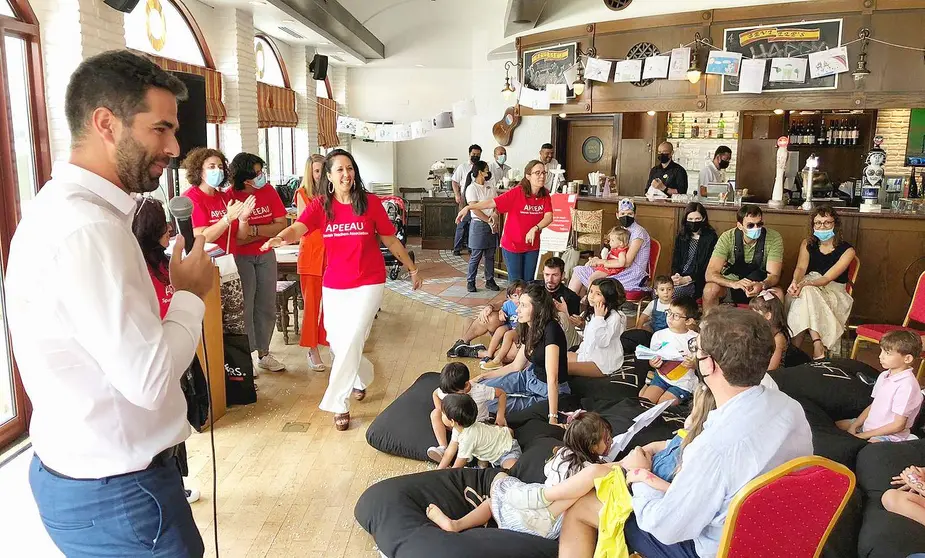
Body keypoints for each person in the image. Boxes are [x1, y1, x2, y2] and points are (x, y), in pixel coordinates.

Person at [6, 50, 214, 556]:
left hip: (84, 476)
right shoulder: (91, 229)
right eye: (160, 129)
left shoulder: (61, 209)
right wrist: (188, 296)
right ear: (106, 123)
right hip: (121, 493)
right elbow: (148, 380)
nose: (174, 146)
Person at [558, 307, 813, 558]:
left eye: (697, 350)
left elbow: (665, 527)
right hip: (773, 536)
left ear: (709, 365)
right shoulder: (790, 408)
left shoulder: (715, 448)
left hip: (715, 547)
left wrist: (641, 475)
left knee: (581, 508)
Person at [261, 149, 422, 431]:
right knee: (338, 342)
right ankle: (361, 375)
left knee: (354, 336)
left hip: (369, 281)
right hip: (335, 282)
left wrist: (411, 268)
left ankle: (339, 402)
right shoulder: (321, 205)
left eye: (350, 169)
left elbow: (391, 240)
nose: (346, 174)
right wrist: (280, 238)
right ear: (329, 176)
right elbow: (299, 227)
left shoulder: (370, 203)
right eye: (340, 170)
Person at [425, 412, 613, 539]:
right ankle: (462, 525)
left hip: (542, 512)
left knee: (495, 498)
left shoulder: (564, 455)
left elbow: (549, 475)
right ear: (592, 445)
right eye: (607, 439)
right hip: (546, 521)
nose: (611, 441)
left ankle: (457, 525)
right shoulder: (589, 471)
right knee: (501, 492)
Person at [132, 196, 200, 505]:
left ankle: (178, 481)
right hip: (154, 357)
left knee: (177, 427)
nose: (170, 230)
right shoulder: (137, 266)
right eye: (164, 225)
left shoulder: (163, 259)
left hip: (175, 349)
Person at [227, 152, 288, 373]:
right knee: (246, 306)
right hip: (240, 258)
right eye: (257, 173)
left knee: (266, 305)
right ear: (245, 179)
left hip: (266, 254)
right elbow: (235, 237)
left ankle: (264, 352)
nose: (262, 176)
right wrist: (262, 231)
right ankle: (248, 356)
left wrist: (252, 230)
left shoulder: (268, 191)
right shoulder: (231, 196)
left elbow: (280, 224)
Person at [476, 283, 571, 420]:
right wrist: (482, 377)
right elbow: (516, 366)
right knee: (480, 389)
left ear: (538, 309)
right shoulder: (528, 325)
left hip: (548, 392)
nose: (517, 310)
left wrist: (553, 416)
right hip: (529, 377)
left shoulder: (552, 329)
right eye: (519, 304)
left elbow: (553, 378)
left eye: (524, 306)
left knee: (489, 404)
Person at [456, 160, 553, 282]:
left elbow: (549, 217)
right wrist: (469, 207)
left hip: (532, 245)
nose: (542, 176)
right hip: (513, 245)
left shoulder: (545, 195)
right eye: (537, 173)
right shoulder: (517, 192)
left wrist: (535, 228)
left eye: (544, 172)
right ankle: (511, 302)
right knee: (516, 283)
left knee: (529, 282)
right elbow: (492, 202)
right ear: (528, 176)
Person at [786, 205, 857, 360]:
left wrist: (804, 285)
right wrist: (794, 282)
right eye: (818, 223)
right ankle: (816, 343)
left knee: (805, 294)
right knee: (803, 295)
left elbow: (826, 279)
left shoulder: (847, 250)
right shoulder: (807, 244)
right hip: (807, 285)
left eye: (827, 222)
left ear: (835, 225)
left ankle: (793, 350)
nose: (822, 226)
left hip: (834, 290)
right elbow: (800, 267)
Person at [837, 330, 924, 442]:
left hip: (889, 435)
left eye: (887, 353)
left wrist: (863, 436)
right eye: (881, 351)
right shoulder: (884, 375)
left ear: (907, 359)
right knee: (837, 425)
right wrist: (855, 425)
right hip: (869, 426)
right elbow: (873, 405)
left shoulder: (907, 386)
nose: (880, 356)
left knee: (870, 447)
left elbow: (898, 425)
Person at [703, 204, 784, 311]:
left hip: (758, 285)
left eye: (759, 224)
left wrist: (762, 285)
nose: (756, 228)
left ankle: (774, 328)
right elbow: (710, 274)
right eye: (750, 225)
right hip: (730, 285)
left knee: (778, 294)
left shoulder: (774, 238)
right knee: (710, 289)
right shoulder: (727, 237)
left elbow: (774, 275)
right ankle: (707, 326)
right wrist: (733, 284)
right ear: (740, 226)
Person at [569, 198, 651, 297]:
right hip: (618, 268)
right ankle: (580, 308)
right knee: (583, 271)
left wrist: (602, 262)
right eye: (623, 214)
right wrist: (598, 260)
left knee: (581, 272)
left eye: (629, 214)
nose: (626, 217)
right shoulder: (623, 230)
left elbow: (627, 262)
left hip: (631, 274)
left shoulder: (638, 233)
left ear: (635, 215)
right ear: (617, 215)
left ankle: (573, 305)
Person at [428, 362, 507, 464]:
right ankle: (443, 447)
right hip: (456, 424)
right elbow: (435, 393)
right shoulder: (449, 390)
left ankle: (478, 457)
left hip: (477, 425)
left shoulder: (480, 391)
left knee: (479, 443)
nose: (450, 396)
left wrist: (500, 416)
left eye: (453, 393)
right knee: (435, 414)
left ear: (466, 385)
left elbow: (501, 394)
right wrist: (442, 410)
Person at [181, 147, 254, 253]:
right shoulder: (190, 199)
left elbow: (241, 236)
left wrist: (243, 219)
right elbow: (205, 237)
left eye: (220, 167)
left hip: (229, 261)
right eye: (211, 167)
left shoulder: (225, 198)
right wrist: (227, 219)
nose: (218, 171)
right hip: (206, 263)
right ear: (199, 171)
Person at [296, 154, 329, 370]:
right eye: (316, 171)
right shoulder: (302, 194)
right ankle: (312, 348)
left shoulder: (333, 195)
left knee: (332, 304)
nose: (320, 175)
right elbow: (303, 225)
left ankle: (330, 341)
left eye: (323, 171)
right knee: (311, 306)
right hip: (311, 255)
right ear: (310, 173)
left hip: (332, 254)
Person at [436, 393, 522, 470]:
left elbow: (458, 466)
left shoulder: (467, 439)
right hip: (495, 441)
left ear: (452, 421)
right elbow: (449, 451)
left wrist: (447, 475)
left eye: (443, 414)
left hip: (506, 451)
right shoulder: (459, 428)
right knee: (481, 456)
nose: (441, 415)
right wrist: (439, 470)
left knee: (512, 469)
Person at [640, 297, 700, 405]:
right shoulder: (659, 335)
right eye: (669, 312)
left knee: (662, 406)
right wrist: (653, 363)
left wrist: (693, 364)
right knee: (645, 402)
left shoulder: (696, 339)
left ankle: (648, 381)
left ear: (689, 321)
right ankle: (649, 382)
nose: (670, 318)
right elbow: (652, 358)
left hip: (682, 383)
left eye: (676, 316)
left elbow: (702, 363)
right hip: (661, 377)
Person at [568, 278, 627, 378]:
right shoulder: (593, 313)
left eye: (598, 294)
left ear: (607, 297)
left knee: (561, 368)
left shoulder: (614, 317)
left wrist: (600, 318)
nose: (591, 296)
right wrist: (577, 355)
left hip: (602, 364)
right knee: (552, 358)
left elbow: (602, 342)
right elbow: (588, 340)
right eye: (591, 291)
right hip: (588, 356)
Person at [464, 160, 501, 292]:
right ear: (480, 172)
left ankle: (489, 280)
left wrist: (495, 216)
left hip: (491, 223)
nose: (488, 172)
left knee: (490, 254)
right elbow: (474, 209)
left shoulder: (490, 186)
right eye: (486, 169)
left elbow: (497, 204)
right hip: (479, 225)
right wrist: (488, 220)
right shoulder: (471, 188)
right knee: (476, 255)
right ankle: (470, 281)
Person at [671, 202, 719, 300]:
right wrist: (676, 275)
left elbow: (707, 266)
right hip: (680, 277)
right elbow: (676, 260)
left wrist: (688, 279)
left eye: (697, 219)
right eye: (690, 219)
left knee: (673, 294)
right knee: (659, 292)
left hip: (698, 280)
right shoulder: (681, 236)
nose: (694, 222)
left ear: (704, 218)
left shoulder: (710, 237)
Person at [749, 292, 809, 371]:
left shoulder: (778, 338)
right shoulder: (759, 331)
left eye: (755, 313)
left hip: (781, 373)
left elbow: (772, 367)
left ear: (768, 316)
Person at [478, 280, 526, 370]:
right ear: (509, 297)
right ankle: (489, 354)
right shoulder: (508, 304)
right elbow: (503, 309)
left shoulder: (526, 304)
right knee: (500, 330)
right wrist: (501, 312)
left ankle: (498, 360)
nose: (518, 298)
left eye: (521, 295)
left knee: (508, 334)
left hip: (521, 330)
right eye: (515, 296)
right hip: (511, 325)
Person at [452, 144, 482, 255]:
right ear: (469, 154)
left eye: (478, 155)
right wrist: (457, 195)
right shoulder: (462, 167)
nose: (476, 156)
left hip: (477, 198)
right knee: (462, 223)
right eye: (474, 154)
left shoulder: (480, 167)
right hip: (465, 198)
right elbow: (454, 181)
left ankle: (471, 246)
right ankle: (457, 248)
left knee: (473, 223)